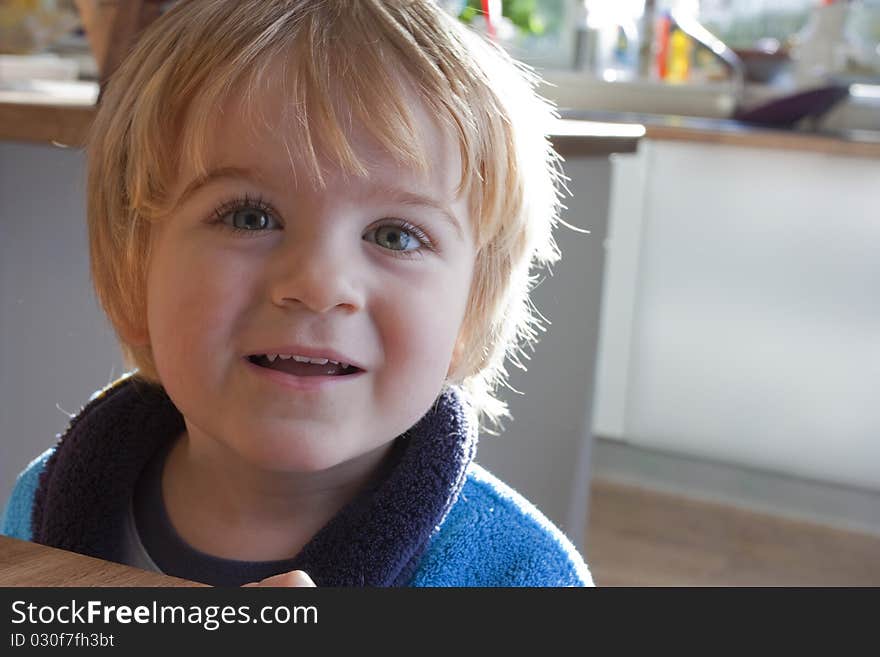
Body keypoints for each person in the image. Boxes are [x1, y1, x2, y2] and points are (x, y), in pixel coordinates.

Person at [0, 0, 592, 587]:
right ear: (135, 269)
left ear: (472, 310)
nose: (319, 285)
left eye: (395, 235)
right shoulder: (41, 506)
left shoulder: (521, 575)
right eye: (250, 218)